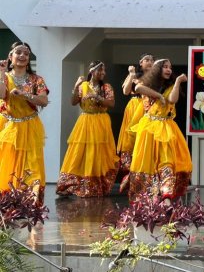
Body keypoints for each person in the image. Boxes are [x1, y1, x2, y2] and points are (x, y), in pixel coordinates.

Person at [128, 58, 192, 201]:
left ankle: (166, 197)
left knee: (167, 162)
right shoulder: (147, 84)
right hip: (149, 129)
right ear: (157, 70)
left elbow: (173, 99)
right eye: (165, 67)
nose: (169, 70)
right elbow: (137, 89)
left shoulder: (171, 85)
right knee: (148, 163)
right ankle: (151, 198)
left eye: (170, 67)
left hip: (166, 129)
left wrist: (178, 82)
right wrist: (158, 95)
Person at [57, 61, 119, 197]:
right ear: (91, 71)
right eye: (100, 70)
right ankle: (70, 184)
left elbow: (111, 103)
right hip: (85, 121)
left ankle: (95, 186)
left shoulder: (106, 87)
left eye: (104, 70)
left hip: (101, 121)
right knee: (79, 151)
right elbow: (73, 102)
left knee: (98, 152)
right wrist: (76, 87)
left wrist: (96, 96)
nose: (103, 73)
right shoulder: (83, 86)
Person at [0, 42, 49, 200]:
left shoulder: (36, 80)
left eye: (26, 54)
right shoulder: (4, 77)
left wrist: (24, 94)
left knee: (32, 165)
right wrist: (1, 73)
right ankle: (8, 203)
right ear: (10, 56)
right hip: (9, 127)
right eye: (18, 52)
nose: (22, 56)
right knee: (8, 164)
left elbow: (43, 101)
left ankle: (30, 203)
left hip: (30, 127)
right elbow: (1, 95)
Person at [116, 53, 155, 188]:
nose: (149, 62)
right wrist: (132, 74)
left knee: (146, 140)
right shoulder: (135, 75)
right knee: (131, 139)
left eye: (152, 60)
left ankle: (145, 175)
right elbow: (126, 91)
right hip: (135, 107)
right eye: (146, 60)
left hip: (149, 108)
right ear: (140, 62)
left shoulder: (156, 77)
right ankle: (132, 175)